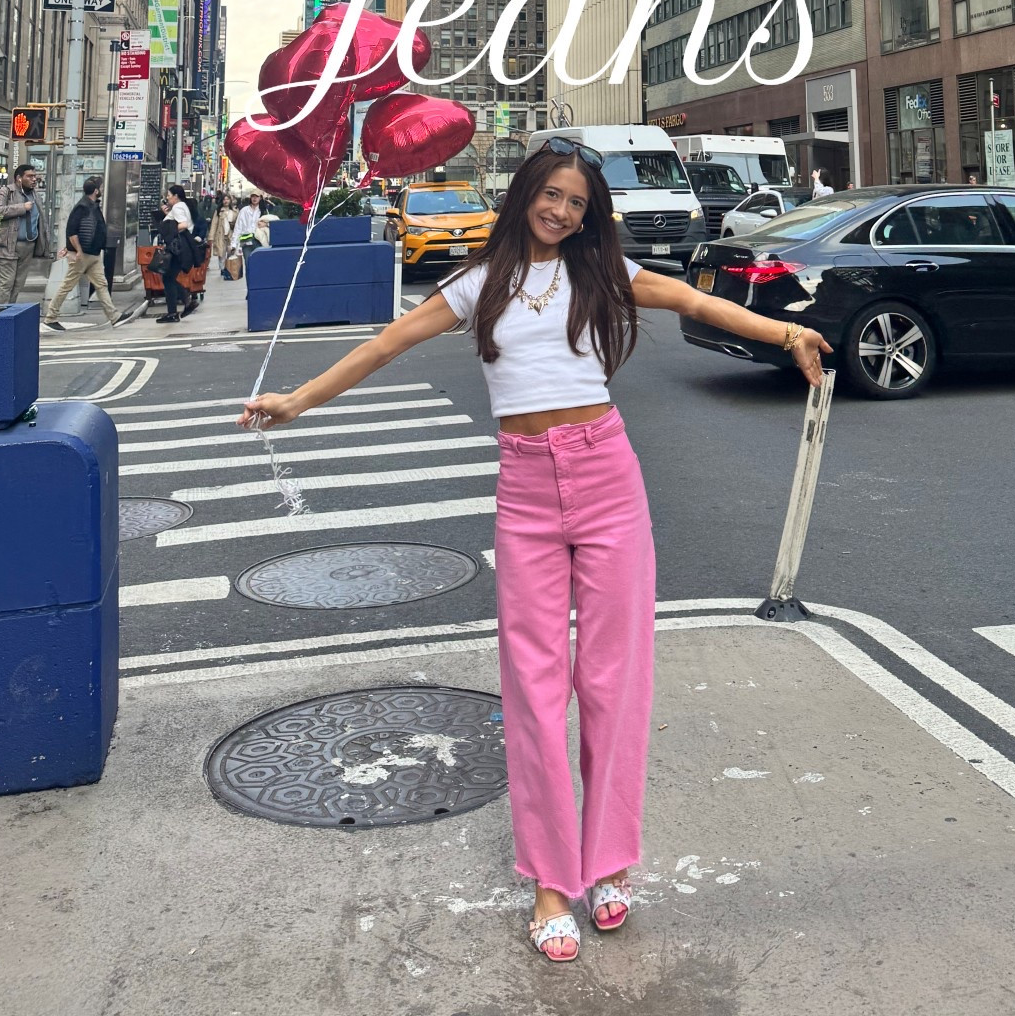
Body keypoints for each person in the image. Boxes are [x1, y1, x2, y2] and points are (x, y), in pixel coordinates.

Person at [240, 137, 830, 966]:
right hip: (524, 489)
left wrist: (784, 333)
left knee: (614, 679)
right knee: (534, 685)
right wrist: (296, 402)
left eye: (577, 204)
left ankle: (612, 861)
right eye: (550, 195)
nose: (560, 211)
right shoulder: (481, 283)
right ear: (524, 196)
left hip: (607, 477)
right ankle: (553, 882)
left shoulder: (602, 276)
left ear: (591, 217)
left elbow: (695, 304)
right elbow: (386, 343)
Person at [42, 179, 133, 330]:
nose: (102, 189)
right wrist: (76, 249)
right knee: (67, 285)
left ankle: (114, 316)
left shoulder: (92, 206)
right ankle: (50, 318)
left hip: (93, 254)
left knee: (101, 285)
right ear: (96, 190)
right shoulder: (82, 207)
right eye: (101, 187)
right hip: (83, 255)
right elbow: (72, 231)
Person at [0, 165, 48, 304]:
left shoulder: (35, 195)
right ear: (19, 178)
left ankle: (10, 312)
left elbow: (41, 220)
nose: (34, 179)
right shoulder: (6, 192)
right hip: (6, 246)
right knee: (6, 283)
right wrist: (21, 208)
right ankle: (0, 316)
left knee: (18, 283)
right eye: (30, 176)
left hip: (27, 246)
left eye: (34, 176)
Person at [153, 189, 197, 323]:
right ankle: (182, 303)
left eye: (169, 196)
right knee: (168, 277)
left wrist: (168, 228)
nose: (167, 198)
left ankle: (179, 305)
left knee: (168, 277)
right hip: (183, 247)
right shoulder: (181, 206)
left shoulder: (178, 207)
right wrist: (168, 214)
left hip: (177, 247)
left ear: (176, 196)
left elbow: (183, 224)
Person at [210, 194, 238, 278]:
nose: (226, 201)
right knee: (221, 253)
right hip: (220, 234)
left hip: (231, 234)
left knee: (230, 251)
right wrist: (211, 236)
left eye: (227, 199)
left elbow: (238, 223)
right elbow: (214, 223)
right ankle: (222, 269)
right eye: (224, 199)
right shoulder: (219, 211)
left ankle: (229, 267)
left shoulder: (235, 211)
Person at [234, 193, 264, 269]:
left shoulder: (263, 210)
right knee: (249, 265)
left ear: (260, 198)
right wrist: (234, 244)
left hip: (259, 241)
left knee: (259, 265)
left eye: (257, 196)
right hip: (246, 242)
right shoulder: (244, 211)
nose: (254, 198)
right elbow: (238, 227)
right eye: (253, 196)